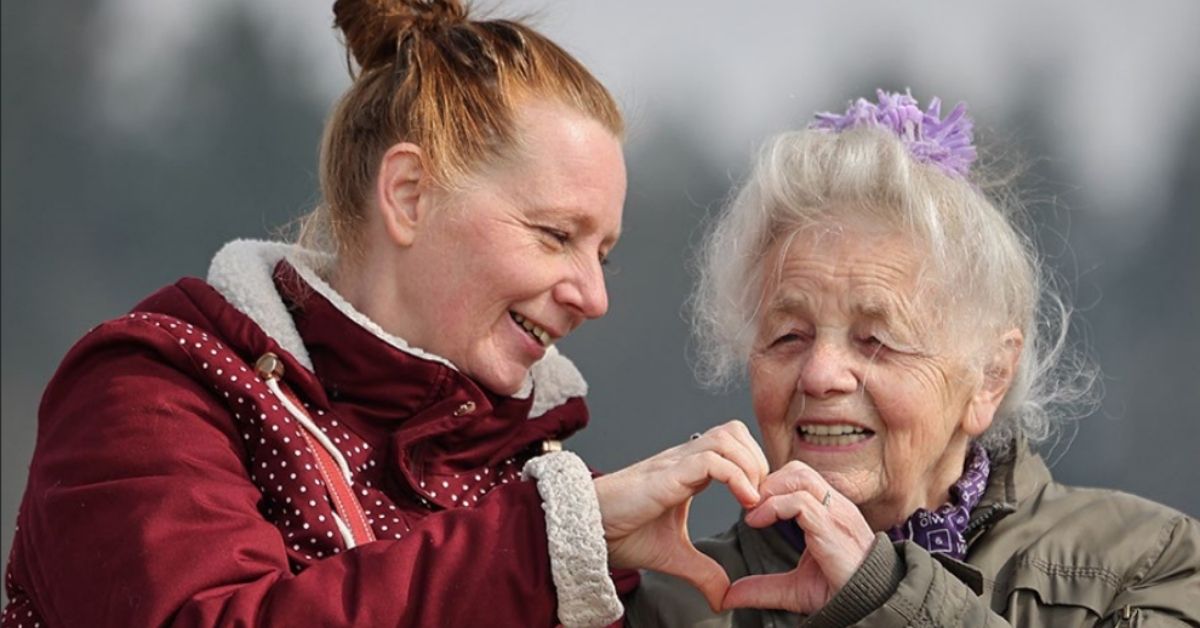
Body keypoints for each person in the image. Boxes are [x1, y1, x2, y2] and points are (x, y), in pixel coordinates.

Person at [1, 2, 770, 626]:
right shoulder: (153, 396)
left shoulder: (540, 484)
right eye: (554, 235)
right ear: (409, 195)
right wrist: (546, 545)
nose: (593, 297)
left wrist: (823, 586)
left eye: (603, 254)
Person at [624, 90, 1200, 626]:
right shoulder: (675, 603)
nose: (821, 374)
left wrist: (884, 594)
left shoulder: (1152, 561)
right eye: (788, 336)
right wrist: (580, 535)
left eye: (876, 340)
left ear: (990, 376)